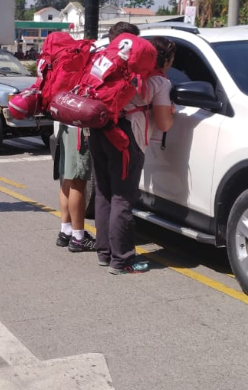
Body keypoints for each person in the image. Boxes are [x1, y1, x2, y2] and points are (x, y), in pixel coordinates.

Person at [88, 24, 175, 274]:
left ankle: (104, 253)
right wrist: (171, 111)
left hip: (99, 128)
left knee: (104, 193)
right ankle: (122, 260)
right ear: (165, 59)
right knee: (123, 197)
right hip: (127, 138)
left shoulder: (120, 70)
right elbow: (163, 123)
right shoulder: (158, 82)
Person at [54, 121, 96, 252]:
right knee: (78, 183)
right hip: (79, 130)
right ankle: (78, 237)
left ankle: (66, 230)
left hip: (66, 126)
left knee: (68, 178)